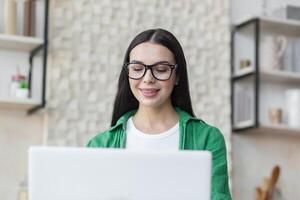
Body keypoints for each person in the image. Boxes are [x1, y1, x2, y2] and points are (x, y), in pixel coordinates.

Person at [86, 28, 231, 199]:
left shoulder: (206, 138)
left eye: (161, 69)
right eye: (137, 68)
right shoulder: (100, 145)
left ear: (177, 76)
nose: (147, 78)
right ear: (127, 73)